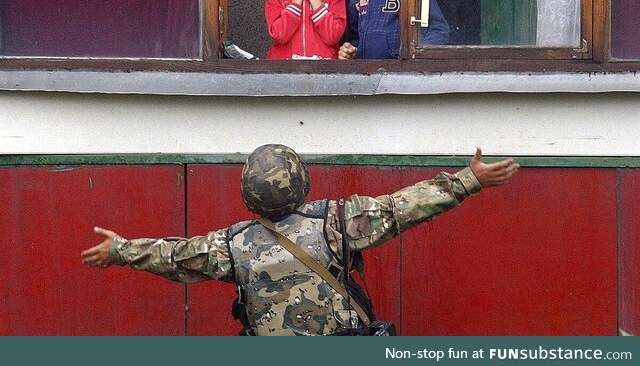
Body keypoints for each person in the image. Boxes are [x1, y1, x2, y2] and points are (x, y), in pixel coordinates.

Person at [82, 144, 519, 336]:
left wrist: (121, 249)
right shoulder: (337, 221)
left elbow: (175, 257)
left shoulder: (231, 246)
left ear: (247, 192)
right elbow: (400, 207)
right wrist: (467, 180)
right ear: (302, 182)